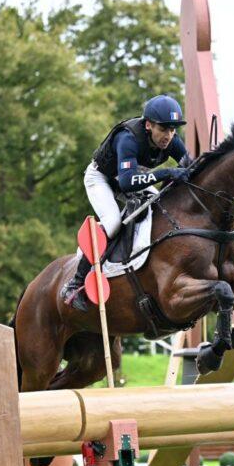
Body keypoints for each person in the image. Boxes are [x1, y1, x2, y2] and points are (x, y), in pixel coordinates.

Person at [61, 94, 191, 311]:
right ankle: (75, 283)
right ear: (149, 125)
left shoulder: (172, 141)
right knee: (112, 222)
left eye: (172, 129)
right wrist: (167, 172)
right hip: (102, 178)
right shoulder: (128, 138)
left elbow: (190, 167)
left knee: (160, 208)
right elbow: (128, 182)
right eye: (163, 128)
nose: (168, 135)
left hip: (129, 177)